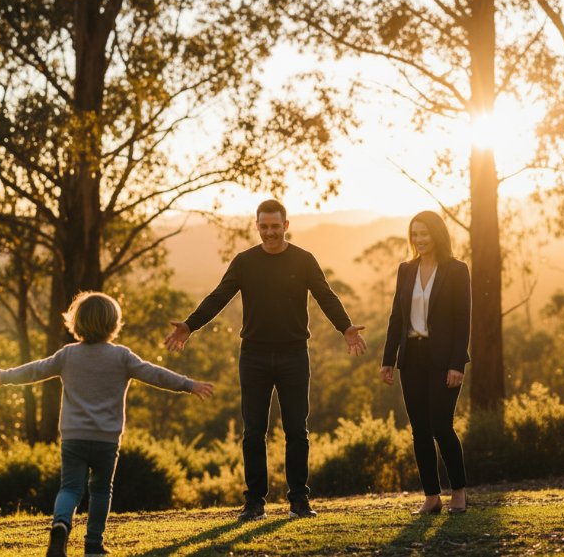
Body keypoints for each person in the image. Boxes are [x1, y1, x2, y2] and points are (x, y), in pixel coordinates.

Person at [164, 199, 367, 522]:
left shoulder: (303, 260)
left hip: (294, 355)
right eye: (264, 226)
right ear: (257, 226)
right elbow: (219, 296)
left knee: (296, 430)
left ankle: (299, 501)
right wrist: (190, 326)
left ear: (286, 226)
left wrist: (346, 328)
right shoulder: (245, 262)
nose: (270, 232)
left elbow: (325, 295)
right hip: (254, 356)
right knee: (253, 431)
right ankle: (254, 502)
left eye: (275, 226)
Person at [0, 291, 214, 557]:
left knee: (70, 488)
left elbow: (36, 370)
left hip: (73, 437)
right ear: (113, 324)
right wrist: (189, 384)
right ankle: (93, 545)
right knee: (101, 490)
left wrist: (5, 376)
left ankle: (61, 523)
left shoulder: (68, 355)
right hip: (106, 439)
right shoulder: (122, 356)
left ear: (76, 322)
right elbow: (155, 374)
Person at [379, 210, 470, 514]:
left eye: (425, 233)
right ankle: (431, 497)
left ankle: (459, 491)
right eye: (415, 234)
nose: (419, 239)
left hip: (444, 360)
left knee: (441, 426)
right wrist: (388, 360)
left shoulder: (457, 270)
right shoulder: (406, 269)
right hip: (412, 358)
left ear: (438, 235)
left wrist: (457, 364)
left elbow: (463, 321)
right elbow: (396, 317)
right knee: (419, 429)